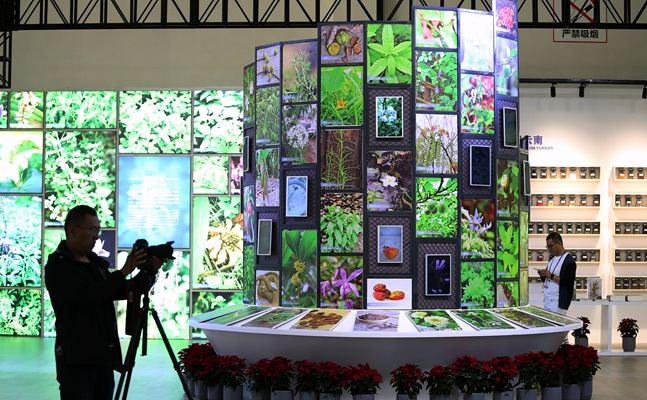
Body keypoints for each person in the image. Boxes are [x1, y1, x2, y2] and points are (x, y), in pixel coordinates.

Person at [45, 205, 161, 400]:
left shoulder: (94, 263)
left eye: (97, 230)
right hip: (77, 358)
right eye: (91, 230)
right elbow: (89, 295)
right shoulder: (58, 266)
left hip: (103, 355)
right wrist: (123, 271)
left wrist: (148, 272)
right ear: (72, 230)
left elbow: (118, 290)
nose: (96, 236)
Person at [536, 232, 577, 314]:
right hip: (547, 301)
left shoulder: (569, 261)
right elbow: (548, 279)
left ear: (559, 243)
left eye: (551, 246)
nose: (549, 249)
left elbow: (568, 283)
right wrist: (543, 275)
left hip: (558, 304)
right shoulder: (552, 259)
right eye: (547, 247)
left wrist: (550, 275)